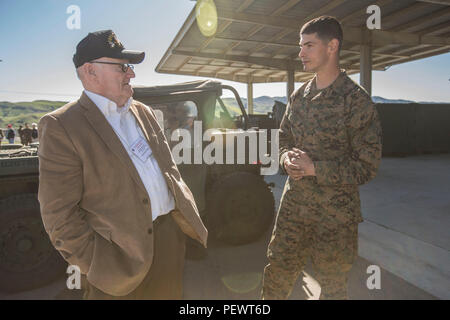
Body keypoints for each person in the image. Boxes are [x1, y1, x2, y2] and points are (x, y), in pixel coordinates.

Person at [38, 29, 207, 300]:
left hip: (168, 241)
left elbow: (168, 170)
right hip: (117, 258)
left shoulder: (144, 112)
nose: (131, 74)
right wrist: (98, 264)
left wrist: (179, 227)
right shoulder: (62, 126)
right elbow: (59, 215)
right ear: (90, 71)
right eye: (122, 67)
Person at [261, 16, 382, 300]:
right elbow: (284, 138)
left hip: (335, 217)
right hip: (294, 210)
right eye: (300, 46)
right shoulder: (298, 96)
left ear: (332, 46)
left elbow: (367, 166)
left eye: (308, 45)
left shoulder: (356, 100)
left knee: (333, 287)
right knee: (276, 275)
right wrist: (285, 158)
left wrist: (315, 168)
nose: (300, 53)